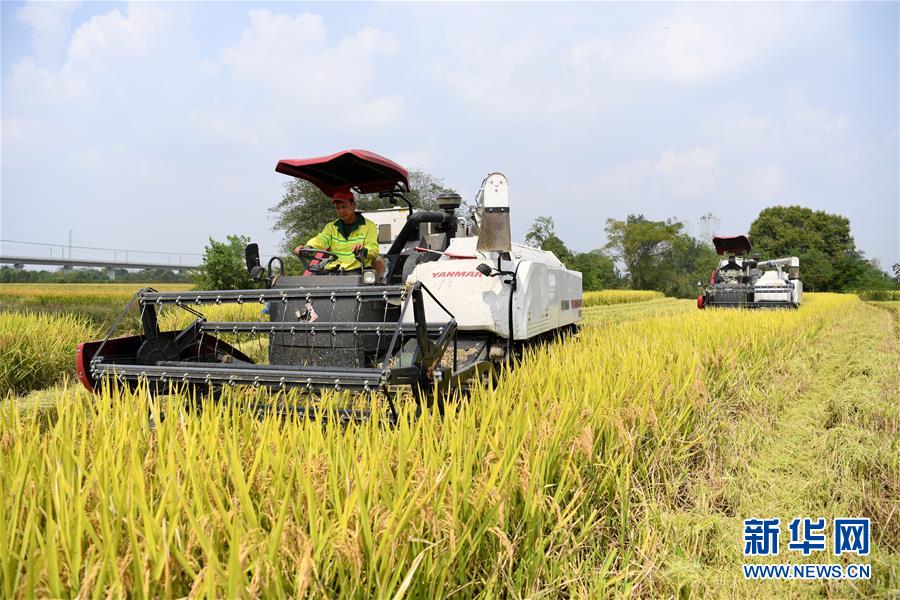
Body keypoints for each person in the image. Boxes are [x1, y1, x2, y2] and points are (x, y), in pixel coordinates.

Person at [294, 190, 381, 273]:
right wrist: (308, 247)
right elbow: (321, 239)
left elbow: (373, 249)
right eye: (338, 208)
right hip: (335, 270)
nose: (341, 211)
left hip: (358, 271)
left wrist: (363, 250)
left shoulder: (369, 226)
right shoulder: (331, 227)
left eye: (344, 207)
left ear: (354, 205)